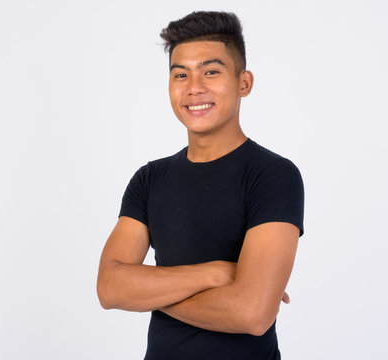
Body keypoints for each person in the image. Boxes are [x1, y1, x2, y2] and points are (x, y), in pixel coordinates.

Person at [97, 11, 304, 360]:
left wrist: (151, 290)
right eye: (181, 74)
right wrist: (218, 273)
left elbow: (251, 314)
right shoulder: (150, 179)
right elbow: (110, 288)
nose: (194, 87)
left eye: (211, 71)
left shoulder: (273, 175)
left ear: (244, 82)